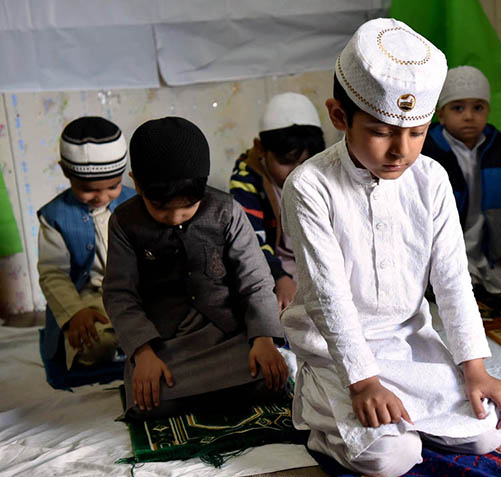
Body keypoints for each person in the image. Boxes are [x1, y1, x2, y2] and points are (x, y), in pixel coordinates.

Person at [280, 18, 501, 477]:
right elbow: (328, 295)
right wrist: (363, 381)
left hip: (407, 343)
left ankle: (404, 410)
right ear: (338, 116)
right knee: (392, 457)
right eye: (382, 131)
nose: (401, 151)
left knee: (486, 430)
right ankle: (316, 404)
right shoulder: (309, 185)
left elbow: (451, 279)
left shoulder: (430, 178)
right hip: (335, 351)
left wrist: (476, 368)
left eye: (416, 132)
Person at [103, 116, 287, 419]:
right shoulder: (124, 222)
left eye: (188, 207)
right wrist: (144, 354)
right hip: (165, 342)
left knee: (270, 378)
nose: (175, 218)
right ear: (136, 183)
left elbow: (254, 280)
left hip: (227, 335)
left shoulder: (226, 211)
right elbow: (120, 295)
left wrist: (263, 339)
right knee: (152, 399)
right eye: (161, 208)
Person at [38, 116, 135, 387]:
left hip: (136, 294)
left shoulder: (137, 204)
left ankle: (134, 342)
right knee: (93, 345)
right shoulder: (54, 216)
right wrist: (74, 313)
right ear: (65, 172)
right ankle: (125, 345)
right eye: (88, 190)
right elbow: (53, 274)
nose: (102, 197)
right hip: (88, 301)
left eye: (112, 187)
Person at [422, 66, 501, 297]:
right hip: (446, 240)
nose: (469, 116)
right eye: (458, 108)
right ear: (441, 113)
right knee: (450, 285)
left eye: (477, 107)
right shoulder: (427, 150)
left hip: (489, 240)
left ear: (488, 110)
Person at [229, 92, 325, 310]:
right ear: (261, 148)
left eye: (305, 162)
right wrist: (280, 278)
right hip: (273, 265)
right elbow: (251, 241)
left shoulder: (321, 170)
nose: (297, 172)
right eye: (286, 162)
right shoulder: (246, 181)